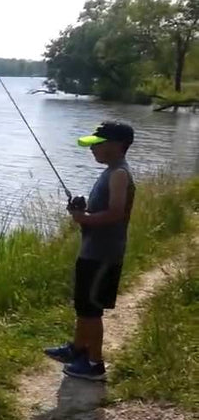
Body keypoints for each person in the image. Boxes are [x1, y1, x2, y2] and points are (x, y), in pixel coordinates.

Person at [44, 121, 136, 381]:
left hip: (103, 255)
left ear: (118, 145)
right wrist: (82, 211)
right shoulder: (110, 171)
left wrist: (83, 219)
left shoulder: (119, 173)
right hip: (93, 251)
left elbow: (117, 213)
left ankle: (94, 364)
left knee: (91, 310)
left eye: (98, 144)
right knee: (84, 306)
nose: (93, 149)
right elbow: (104, 210)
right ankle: (78, 349)